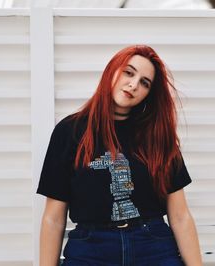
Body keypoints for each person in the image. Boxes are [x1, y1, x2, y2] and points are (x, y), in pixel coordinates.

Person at [37, 44, 202, 266]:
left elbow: (180, 216)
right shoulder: (70, 131)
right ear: (112, 71)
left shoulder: (158, 136)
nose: (133, 85)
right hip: (90, 250)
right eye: (128, 72)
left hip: (153, 246)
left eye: (144, 83)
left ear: (148, 94)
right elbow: (53, 218)